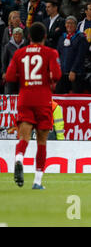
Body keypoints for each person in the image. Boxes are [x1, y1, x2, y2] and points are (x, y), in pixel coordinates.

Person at [5, 22, 62, 189]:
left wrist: (23, 76)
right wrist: (48, 79)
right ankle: (37, 181)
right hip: (43, 100)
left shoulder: (19, 53)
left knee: (24, 137)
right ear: (45, 36)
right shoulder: (50, 52)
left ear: (28, 37)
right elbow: (57, 75)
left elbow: (9, 76)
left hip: (25, 99)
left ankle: (18, 159)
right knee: (42, 142)